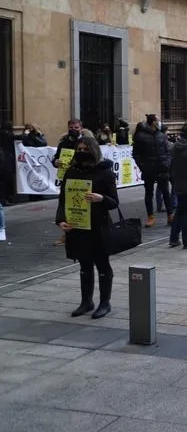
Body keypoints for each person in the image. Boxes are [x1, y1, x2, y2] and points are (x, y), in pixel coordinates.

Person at [55, 134, 119, 319]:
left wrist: (101, 198)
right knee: (84, 264)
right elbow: (63, 199)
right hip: (78, 226)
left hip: (98, 226)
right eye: (79, 150)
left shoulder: (105, 172)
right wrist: (60, 220)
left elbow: (114, 202)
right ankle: (86, 301)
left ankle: (105, 302)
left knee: (102, 264)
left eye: (86, 150)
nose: (82, 153)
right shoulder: (72, 171)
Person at [132, 115, 172, 228]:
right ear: (153, 122)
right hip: (149, 169)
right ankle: (150, 217)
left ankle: (170, 215)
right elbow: (136, 154)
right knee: (148, 194)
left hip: (162, 167)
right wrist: (143, 166)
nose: (159, 122)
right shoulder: (140, 136)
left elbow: (167, 150)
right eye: (158, 120)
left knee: (166, 193)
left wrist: (167, 163)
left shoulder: (161, 135)